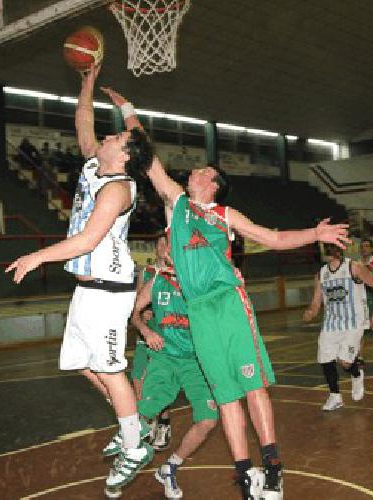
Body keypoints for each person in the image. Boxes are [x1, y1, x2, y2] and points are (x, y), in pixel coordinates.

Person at [101, 86, 350, 500]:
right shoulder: (175, 204)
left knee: (252, 388)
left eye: (201, 171)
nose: (192, 173)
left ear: (213, 183)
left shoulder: (224, 215)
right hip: (199, 312)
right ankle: (243, 472)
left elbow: (273, 238)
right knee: (227, 396)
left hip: (228, 303)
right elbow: (147, 154)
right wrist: (127, 110)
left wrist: (316, 233)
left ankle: (272, 467)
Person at [5, 64, 154, 498]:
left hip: (110, 291)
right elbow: (84, 125)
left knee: (111, 370)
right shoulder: (94, 168)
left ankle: (134, 446)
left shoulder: (119, 189)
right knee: (81, 364)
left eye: (116, 138)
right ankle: (133, 425)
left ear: (124, 154)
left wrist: (36, 256)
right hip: (87, 288)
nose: (106, 138)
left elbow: (87, 239)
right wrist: (86, 85)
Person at [128, 242, 219, 499]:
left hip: (195, 359)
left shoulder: (198, 282)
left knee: (208, 420)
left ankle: (170, 466)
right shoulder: (153, 277)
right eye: (164, 246)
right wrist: (145, 329)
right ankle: (128, 453)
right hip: (162, 351)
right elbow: (134, 310)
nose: (168, 250)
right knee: (143, 401)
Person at [302, 244, 373, 411]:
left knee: (345, 362)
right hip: (332, 323)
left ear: (333, 251)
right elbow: (316, 302)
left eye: (324, 248)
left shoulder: (354, 267)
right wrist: (311, 311)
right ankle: (335, 396)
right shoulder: (320, 274)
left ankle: (356, 373)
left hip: (354, 322)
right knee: (325, 359)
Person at [127, 233, 174, 452]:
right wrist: (143, 311)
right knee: (138, 380)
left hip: (166, 335)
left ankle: (163, 422)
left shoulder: (176, 274)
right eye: (160, 244)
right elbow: (136, 303)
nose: (164, 247)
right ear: (155, 249)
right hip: (145, 334)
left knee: (159, 380)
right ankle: (147, 422)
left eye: (168, 243)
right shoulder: (146, 273)